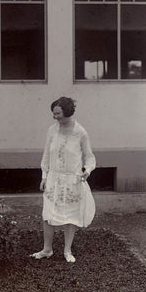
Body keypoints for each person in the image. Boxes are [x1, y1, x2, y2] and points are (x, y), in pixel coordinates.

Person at [30, 97, 96, 263]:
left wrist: (87, 171)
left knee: (71, 215)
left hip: (72, 180)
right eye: (53, 113)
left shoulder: (80, 132)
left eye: (58, 113)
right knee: (48, 214)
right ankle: (47, 249)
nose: (55, 117)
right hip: (53, 179)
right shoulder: (52, 130)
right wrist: (44, 176)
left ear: (67, 112)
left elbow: (90, 157)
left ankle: (67, 250)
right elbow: (46, 155)